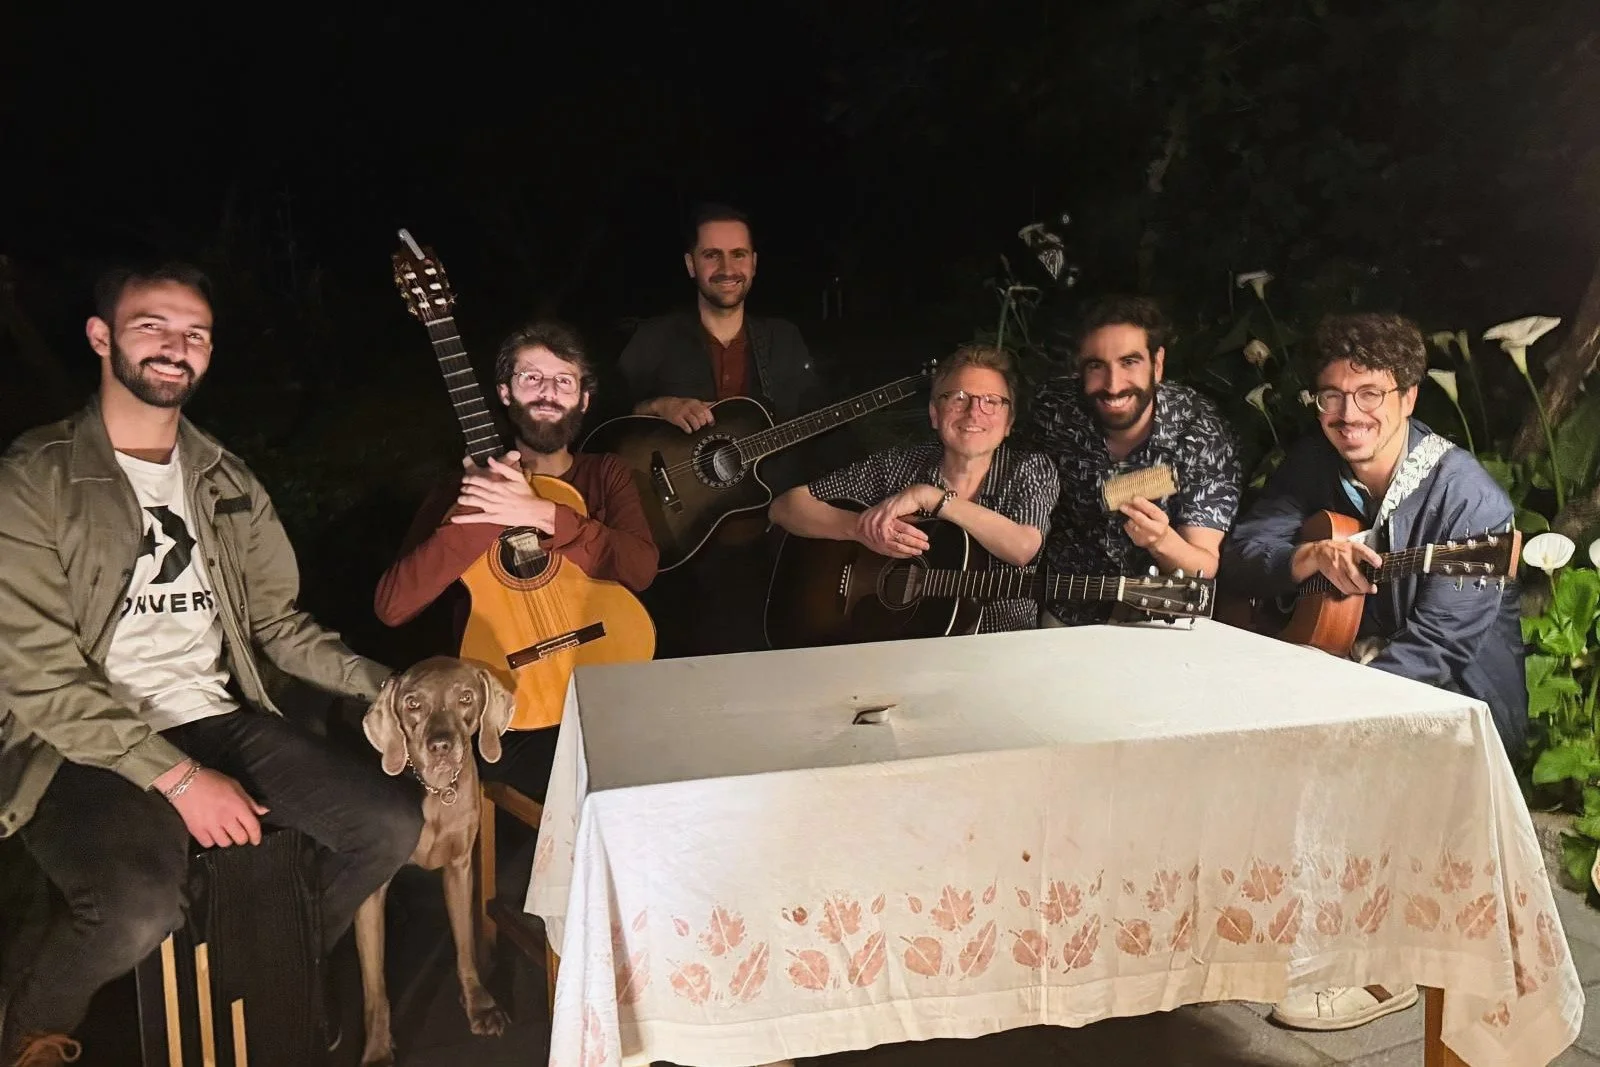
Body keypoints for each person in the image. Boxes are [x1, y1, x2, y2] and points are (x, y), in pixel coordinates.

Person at [0, 263, 422, 1066]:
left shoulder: (226, 479)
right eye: (151, 324)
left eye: (195, 332)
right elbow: (40, 675)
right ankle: (27, 1023)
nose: (176, 345)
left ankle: (271, 973)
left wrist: (388, 686)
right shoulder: (35, 478)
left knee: (388, 823)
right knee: (135, 906)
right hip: (79, 743)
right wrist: (181, 780)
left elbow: (277, 623)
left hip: (218, 716)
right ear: (101, 337)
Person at [1222, 311, 1526, 1031]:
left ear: (1409, 397)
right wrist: (1306, 557)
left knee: (1351, 747)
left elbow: (1438, 650)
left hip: (1456, 698)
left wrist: (1331, 704)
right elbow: (1243, 548)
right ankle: (1281, 927)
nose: (1347, 414)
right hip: (1349, 665)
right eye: (1331, 395)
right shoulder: (1313, 461)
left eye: (1369, 394)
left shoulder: (1470, 499)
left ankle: (1384, 970)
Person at [374, 320, 657, 817]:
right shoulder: (458, 493)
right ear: (504, 392)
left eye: (564, 381)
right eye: (532, 378)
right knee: (605, 799)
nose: (548, 393)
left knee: (663, 774)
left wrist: (542, 515)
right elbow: (393, 606)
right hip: (514, 710)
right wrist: (485, 515)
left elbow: (639, 569)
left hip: (611, 684)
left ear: (583, 400)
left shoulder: (604, 473)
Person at [614, 202, 842, 656]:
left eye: (739, 254)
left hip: (768, 535)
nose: (727, 267)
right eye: (712, 255)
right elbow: (604, 420)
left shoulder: (782, 340)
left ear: (754, 264)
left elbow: (818, 431)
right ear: (690, 265)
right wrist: (657, 404)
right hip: (677, 538)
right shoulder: (654, 339)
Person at [769, 344, 1058, 633]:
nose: (974, 413)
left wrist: (931, 497)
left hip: (1004, 646)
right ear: (934, 413)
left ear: (1008, 422)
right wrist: (860, 529)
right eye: (958, 398)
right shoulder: (900, 465)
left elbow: (1022, 548)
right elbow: (785, 507)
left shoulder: (1029, 468)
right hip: (902, 646)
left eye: (991, 401)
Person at [1018, 294, 1242, 625]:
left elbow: (1203, 565)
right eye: (1096, 365)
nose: (1112, 385)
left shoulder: (1201, 432)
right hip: (1064, 601)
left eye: (1129, 362)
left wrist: (1160, 540)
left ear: (1158, 364)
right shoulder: (1054, 411)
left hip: (1155, 614)